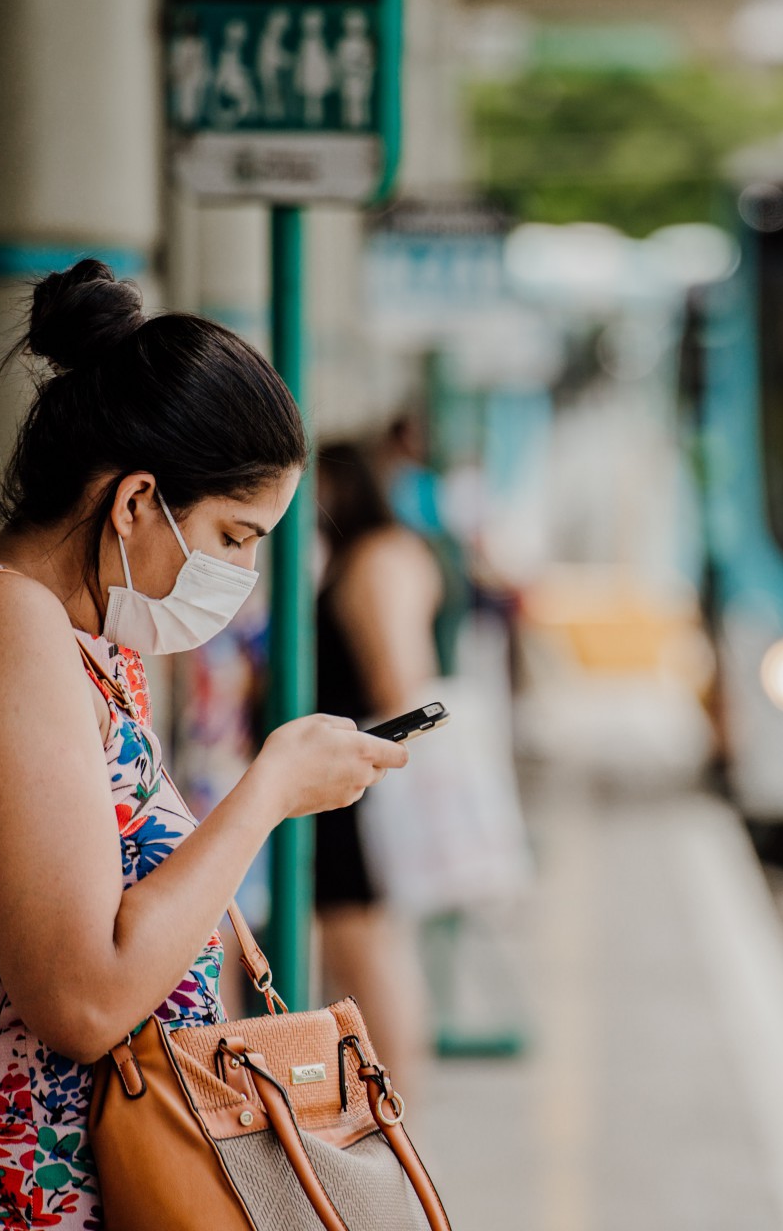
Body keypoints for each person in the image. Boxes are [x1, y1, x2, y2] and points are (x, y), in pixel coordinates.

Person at [0, 260, 407, 1231]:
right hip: (17, 1204)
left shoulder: (83, 644)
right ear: (137, 501)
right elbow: (83, 998)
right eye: (235, 535)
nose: (245, 572)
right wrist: (267, 789)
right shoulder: (3, 625)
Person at [313, 442, 442, 1084]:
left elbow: (398, 679)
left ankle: (399, 1116)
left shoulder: (373, 559)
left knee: (363, 951)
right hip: (351, 777)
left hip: (354, 783)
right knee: (365, 951)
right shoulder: (390, 553)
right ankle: (395, 1114)